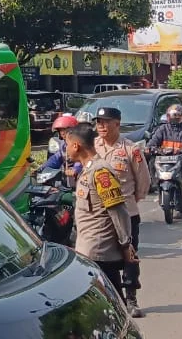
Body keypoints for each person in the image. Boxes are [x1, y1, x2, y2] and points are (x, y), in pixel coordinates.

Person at [93, 107, 151, 318]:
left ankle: (131, 299)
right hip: (100, 216)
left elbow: (143, 181)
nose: (101, 126)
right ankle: (110, 298)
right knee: (101, 257)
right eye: (98, 122)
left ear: (117, 123)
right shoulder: (94, 146)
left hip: (126, 212)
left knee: (130, 256)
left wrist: (130, 202)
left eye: (106, 122)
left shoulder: (130, 149)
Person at [68, 122, 136, 295]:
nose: (66, 149)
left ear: (76, 146)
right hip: (88, 250)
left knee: (111, 302)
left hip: (99, 253)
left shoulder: (101, 172)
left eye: (68, 145)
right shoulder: (88, 170)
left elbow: (118, 211)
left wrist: (126, 245)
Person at [146, 104, 182, 203]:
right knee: (152, 162)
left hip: (181, 156)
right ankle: (158, 188)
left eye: (178, 115)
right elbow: (152, 142)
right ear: (168, 116)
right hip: (164, 157)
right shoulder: (162, 129)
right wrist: (150, 148)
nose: (175, 118)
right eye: (173, 115)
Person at [42, 115, 83, 184]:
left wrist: (75, 169)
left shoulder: (80, 143)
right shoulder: (63, 145)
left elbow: (80, 159)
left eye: (65, 130)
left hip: (82, 178)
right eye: (60, 130)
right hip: (69, 180)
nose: (62, 133)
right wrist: (42, 168)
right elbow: (55, 158)